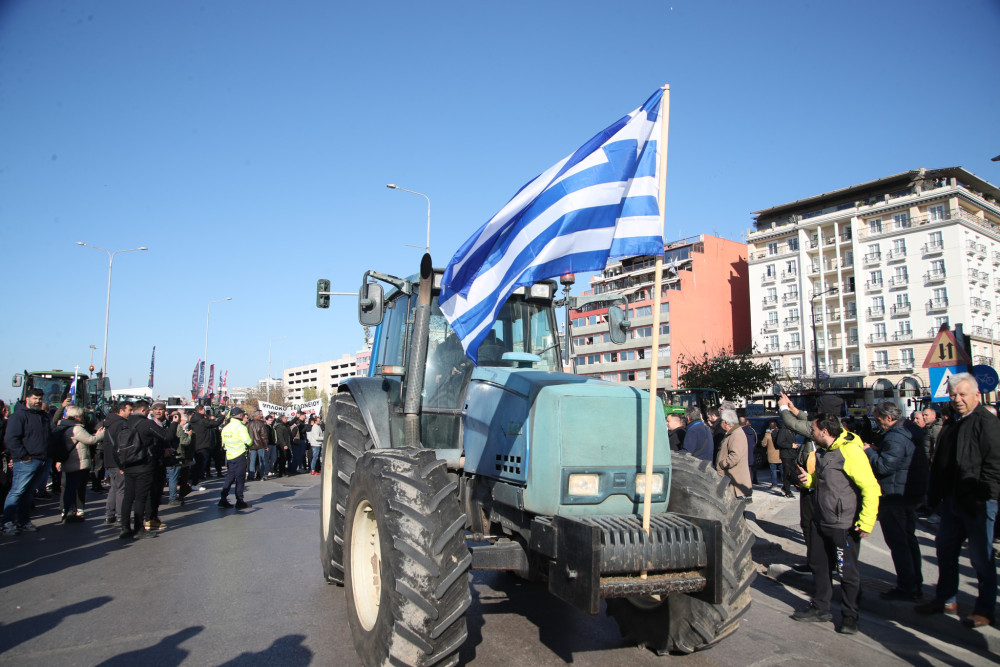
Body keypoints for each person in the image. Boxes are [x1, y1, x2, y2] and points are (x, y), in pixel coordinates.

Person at [916, 373, 1000, 628]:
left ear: (976, 394)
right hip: (952, 500)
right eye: (953, 395)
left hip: (977, 501)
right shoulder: (953, 422)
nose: (957, 399)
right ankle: (946, 599)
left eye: (962, 394)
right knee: (945, 549)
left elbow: (995, 465)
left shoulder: (986, 423)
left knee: (981, 558)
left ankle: (985, 609)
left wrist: (984, 496)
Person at [791, 413, 880, 635]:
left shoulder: (850, 452)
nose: (811, 432)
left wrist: (867, 522)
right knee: (819, 566)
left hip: (844, 525)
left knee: (847, 573)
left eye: (813, 429)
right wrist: (809, 481)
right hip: (820, 520)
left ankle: (850, 617)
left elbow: (870, 488)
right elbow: (824, 481)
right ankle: (821, 608)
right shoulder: (823, 452)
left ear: (825, 431)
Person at [864, 401, 928, 601]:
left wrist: (869, 451)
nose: (878, 423)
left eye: (879, 419)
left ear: (889, 418)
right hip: (907, 493)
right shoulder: (909, 431)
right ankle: (914, 583)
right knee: (908, 539)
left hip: (894, 494)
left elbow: (884, 467)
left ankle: (907, 586)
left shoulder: (896, 436)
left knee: (899, 542)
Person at [118, 400, 174, 540]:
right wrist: (173, 423)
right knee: (141, 498)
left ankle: (125, 528)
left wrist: (121, 466)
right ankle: (139, 528)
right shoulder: (146, 424)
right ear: (144, 410)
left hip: (128, 465)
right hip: (143, 465)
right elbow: (166, 437)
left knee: (128, 497)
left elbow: (116, 445)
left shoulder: (125, 423)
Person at [1, 389, 51, 535]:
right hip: (26, 461)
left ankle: (23, 521)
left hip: (41, 459)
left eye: (40, 398)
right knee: (17, 491)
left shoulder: (42, 416)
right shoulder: (19, 416)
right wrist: (23, 456)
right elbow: (11, 439)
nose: (38, 401)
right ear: (27, 398)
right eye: (35, 398)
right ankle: (7, 522)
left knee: (28, 493)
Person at [55, 406, 105, 523]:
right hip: (78, 461)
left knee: (68, 487)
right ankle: (70, 512)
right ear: (78, 416)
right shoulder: (76, 428)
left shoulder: (62, 426)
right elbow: (90, 440)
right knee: (75, 487)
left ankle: (67, 510)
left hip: (67, 460)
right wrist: (101, 434)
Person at [102, 401, 131, 526]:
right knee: (121, 489)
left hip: (109, 459)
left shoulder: (109, 422)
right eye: (129, 410)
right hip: (118, 460)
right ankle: (121, 515)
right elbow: (122, 444)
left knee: (114, 488)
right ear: (121, 410)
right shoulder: (121, 424)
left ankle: (110, 515)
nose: (130, 412)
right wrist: (123, 463)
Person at [219, 408, 252, 509]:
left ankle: (223, 499)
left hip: (230, 455)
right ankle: (240, 501)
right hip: (239, 455)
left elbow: (223, 443)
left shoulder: (226, 428)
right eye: (242, 414)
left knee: (229, 478)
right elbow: (249, 441)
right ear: (239, 415)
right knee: (240, 479)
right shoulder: (241, 427)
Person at [715, 410, 751, 499]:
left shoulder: (736, 434)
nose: (720, 424)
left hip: (734, 482)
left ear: (726, 423)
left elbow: (735, 456)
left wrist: (722, 464)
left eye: (721, 421)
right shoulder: (733, 433)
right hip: (731, 479)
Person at [247, 411, 270, 481]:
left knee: (252, 461)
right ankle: (261, 475)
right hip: (260, 445)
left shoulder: (249, 424)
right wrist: (266, 445)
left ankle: (251, 475)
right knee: (261, 460)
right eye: (260, 414)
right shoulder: (261, 424)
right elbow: (264, 436)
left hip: (251, 444)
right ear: (256, 415)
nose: (262, 416)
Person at [739, 416, 758, 491]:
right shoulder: (752, 431)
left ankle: (745, 489)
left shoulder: (740, 432)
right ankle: (749, 487)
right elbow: (755, 441)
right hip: (750, 454)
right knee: (749, 471)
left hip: (743, 455)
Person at [762, 421, 781, 489]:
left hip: (771, 455)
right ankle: (785, 483)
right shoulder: (780, 433)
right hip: (779, 454)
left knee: (773, 470)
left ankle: (774, 484)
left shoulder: (768, 434)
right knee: (782, 470)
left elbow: (764, 444)